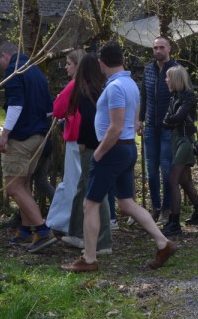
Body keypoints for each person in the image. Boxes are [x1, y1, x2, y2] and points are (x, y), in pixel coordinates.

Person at [61, 41, 176, 272]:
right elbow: (133, 122)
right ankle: (163, 243)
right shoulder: (130, 83)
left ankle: (89, 259)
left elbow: (115, 126)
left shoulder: (114, 88)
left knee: (90, 204)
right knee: (126, 203)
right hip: (126, 148)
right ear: (122, 60)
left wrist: (99, 154)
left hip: (113, 150)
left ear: (102, 63)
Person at [0, 42, 56, 252]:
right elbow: (50, 108)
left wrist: (4, 136)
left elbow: (15, 105)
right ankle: (26, 229)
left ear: (4, 56)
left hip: (21, 137)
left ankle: (42, 230)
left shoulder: (15, 70)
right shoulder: (36, 70)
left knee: (13, 187)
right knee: (24, 183)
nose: (1, 67)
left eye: (0, 62)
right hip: (39, 135)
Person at [62, 53, 113, 254]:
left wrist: (83, 141)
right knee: (85, 187)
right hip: (105, 143)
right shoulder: (104, 88)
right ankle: (77, 231)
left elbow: (89, 120)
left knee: (94, 191)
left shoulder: (85, 90)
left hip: (93, 146)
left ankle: (102, 241)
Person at [161, 65, 198, 236]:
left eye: (168, 77)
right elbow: (168, 119)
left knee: (173, 179)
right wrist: (170, 121)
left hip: (185, 141)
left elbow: (176, 117)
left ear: (175, 79)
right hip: (177, 139)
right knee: (185, 180)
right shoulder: (174, 97)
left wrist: (170, 121)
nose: (166, 80)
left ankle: (174, 222)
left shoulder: (188, 96)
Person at [136, 37, 179, 223]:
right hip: (151, 128)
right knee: (151, 170)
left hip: (168, 127)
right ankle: (156, 207)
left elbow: (184, 96)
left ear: (169, 48)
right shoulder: (148, 70)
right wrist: (139, 119)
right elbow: (143, 97)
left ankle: (167, 208)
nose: (158, 50)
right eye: (155, 47)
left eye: (161, 47)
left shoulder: (176, 70)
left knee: (167, 169)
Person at [46, 49, 85, 234]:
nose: (66, 67)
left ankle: (68, 223)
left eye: (69, 64)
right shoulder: (91, 83)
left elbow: (58, 109)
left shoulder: (74, 85)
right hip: (85, 137)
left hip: (76, 137)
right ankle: (58, 222)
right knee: (73, 182)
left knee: (72, 183)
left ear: (77, 65)